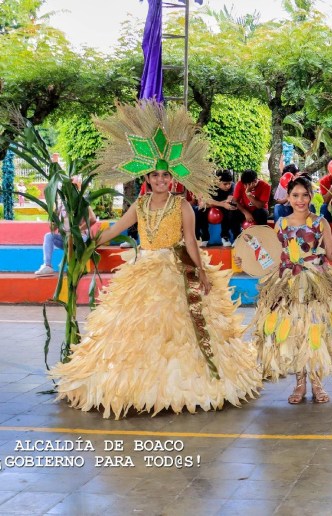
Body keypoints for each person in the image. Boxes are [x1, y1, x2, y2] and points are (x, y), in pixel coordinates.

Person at [49, 101, 261, 418]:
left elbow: (190, 240)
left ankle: (183, 386)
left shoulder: (183, 206)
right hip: (144, 268)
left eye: (166, 176)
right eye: (156, 176)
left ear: (173, 178)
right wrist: (87, 243)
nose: (162, 180)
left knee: (179, 331)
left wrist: (201, 272)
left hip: (176, 269)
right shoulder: (140, 204)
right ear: (147, 179)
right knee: (135, 328)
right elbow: (116, 229)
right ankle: (134, 387)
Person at [245, 175, 332, 404]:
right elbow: (275, 258)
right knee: (295, 333)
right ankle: (299, 384)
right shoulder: (281, 224)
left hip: (317, 283)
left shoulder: (320, 222)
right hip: (288, 284)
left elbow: (331, 254)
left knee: (314, 331)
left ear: (311, 196)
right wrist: (247, 260)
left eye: (305, 195)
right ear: (287, 198)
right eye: (295, 195)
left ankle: (317, 384)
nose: (300, 200)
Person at [35, 202, 97, 276]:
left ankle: (79, 266)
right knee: (48, 236)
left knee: (74, 241)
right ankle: (47, 265)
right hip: (65, 239)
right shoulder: (60, 206)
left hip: (80, 238)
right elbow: (53, 229)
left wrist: (77, 230)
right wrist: (53, 218)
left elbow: (93, 219)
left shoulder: (81, 201)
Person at [195, 170, 236, 247]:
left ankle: (225, 236)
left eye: (229, 183)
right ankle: (204, 238)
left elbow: (229, 200)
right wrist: (221, 204)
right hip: (214, 207)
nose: (228, 186)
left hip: (222, 207)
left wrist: (213, 203)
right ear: (217, 181)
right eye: (225, 184)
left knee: (229, 210)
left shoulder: (232, 186)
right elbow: (205, 200)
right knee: (200, 211)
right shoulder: (210, 186)